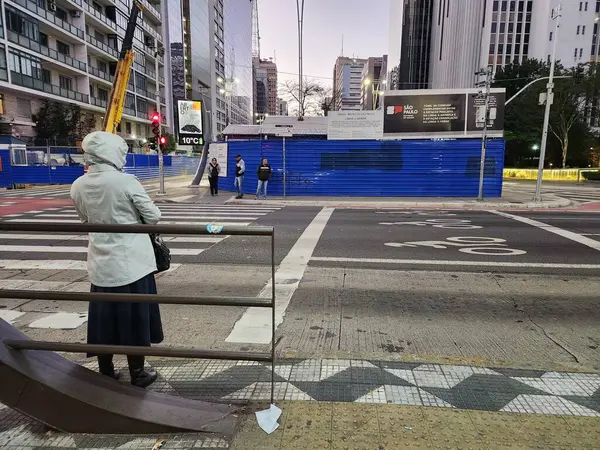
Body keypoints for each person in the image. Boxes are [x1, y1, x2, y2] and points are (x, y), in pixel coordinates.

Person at [70, 131, 163, 389]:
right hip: (132, 262)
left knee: (104, 318)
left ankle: (106, 371)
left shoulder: (78, 184)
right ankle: (138, 373)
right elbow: (153, 216)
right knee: (134, 317)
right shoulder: (126, 182)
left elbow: (84, 220)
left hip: (100, 262)